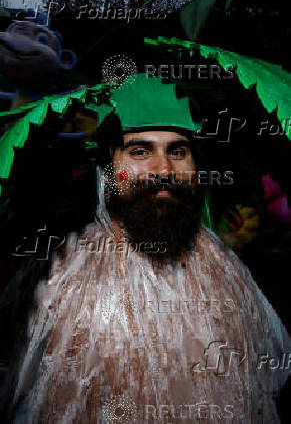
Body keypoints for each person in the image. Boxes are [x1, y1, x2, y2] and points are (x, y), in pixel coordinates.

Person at [0, 74, 290, 424]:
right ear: (107, 170)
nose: (164, 169)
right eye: (140, 150)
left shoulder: (223, 267)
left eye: (178, 151)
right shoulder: (60, 275)